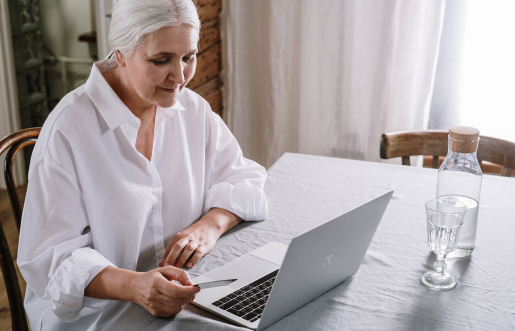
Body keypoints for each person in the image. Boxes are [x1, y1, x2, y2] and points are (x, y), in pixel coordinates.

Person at [17, 0, 268, 330]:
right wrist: (136, 287)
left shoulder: (194, 111)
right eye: (161, 60)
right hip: (99, 317)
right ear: (120, 54)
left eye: (189, 57)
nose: (179, 77)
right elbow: (52, 261)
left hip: (182, 300)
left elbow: (246, 180)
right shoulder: (68, 130)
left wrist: (208, 226)